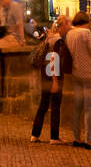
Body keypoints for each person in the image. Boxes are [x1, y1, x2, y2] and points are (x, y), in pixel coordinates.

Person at [30, 15, 72, 143]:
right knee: (55, 106)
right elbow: (53, 59)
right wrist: (55, 80)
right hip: (54, 76)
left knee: (43, 105)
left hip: (45, 74)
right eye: (68, 24)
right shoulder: (58, 41)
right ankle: (54, 137)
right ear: (63, 25)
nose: (70, 27)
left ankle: (35, 134)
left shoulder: (49, 39)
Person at [65, 11, 91, 149]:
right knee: (89, 108)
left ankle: (76, 138)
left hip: (76, 73)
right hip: (88, 74)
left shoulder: (69, 34)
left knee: (77, 108)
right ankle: (88, 140)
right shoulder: (86, 33)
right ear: (86, 22)